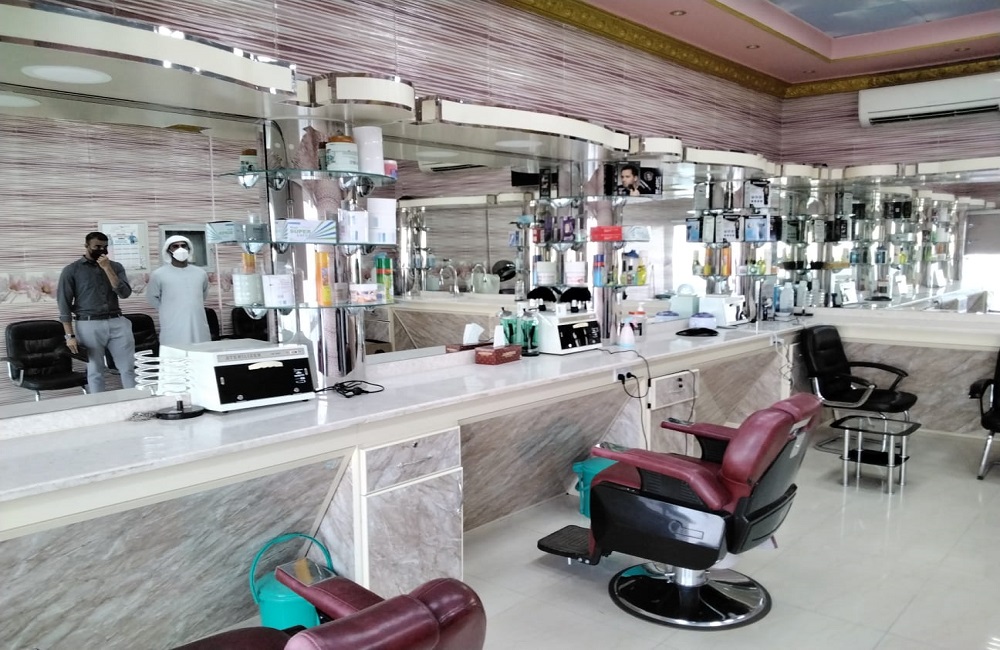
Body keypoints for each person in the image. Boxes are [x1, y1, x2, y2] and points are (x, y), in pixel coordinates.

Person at [57, 231, 136, 393]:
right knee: (95, 370)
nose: (101, 250)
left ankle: (136, 401)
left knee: (128, 367)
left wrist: (107, 268)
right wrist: (69, 336)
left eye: (105, 247)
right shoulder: (71, 270)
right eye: (97, 247)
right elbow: (64, 304)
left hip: (117, 320)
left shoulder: (116, 267)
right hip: (88, 323)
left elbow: (124, 293)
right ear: (86, 246)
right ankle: (98, 404)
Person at [147, 235, 211, 346]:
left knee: (201, 350)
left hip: (198, 323)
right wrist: (169, 309)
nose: (180, 249)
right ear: (168, 250)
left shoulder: (200, 273)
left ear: (189, 249)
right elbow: (152, 297)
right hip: (173, 324)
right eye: (175, 246)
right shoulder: (158, 274)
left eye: (183, 246)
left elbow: (203, 295)